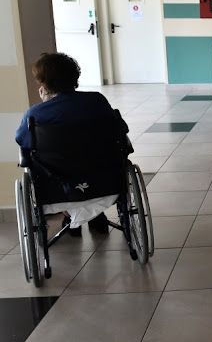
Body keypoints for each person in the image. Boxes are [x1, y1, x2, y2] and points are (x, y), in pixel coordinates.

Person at [15, 52, 128, 236]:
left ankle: (70, 213)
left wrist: (46, 103)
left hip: (58, 186)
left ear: (43, 83)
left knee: (39, 160)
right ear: (74, 77)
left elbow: (23, 141)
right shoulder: (97, 101)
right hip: (104, 180)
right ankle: (94, 214)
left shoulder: (35, 115)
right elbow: (119, 130)